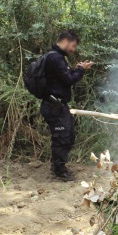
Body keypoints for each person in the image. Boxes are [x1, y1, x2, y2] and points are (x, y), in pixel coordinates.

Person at [41, 30, 94, 181]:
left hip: (57, 105)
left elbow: (63, 77)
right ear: (66, 41)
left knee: (67, 135)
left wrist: (77, 69)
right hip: (53, 105)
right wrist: (81, 70)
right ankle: (59, 171)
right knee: (62, 137)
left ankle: (58, 166)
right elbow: (68, 80)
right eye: (73, 46)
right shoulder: (55, 58)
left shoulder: (56, 57)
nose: (73, 49)